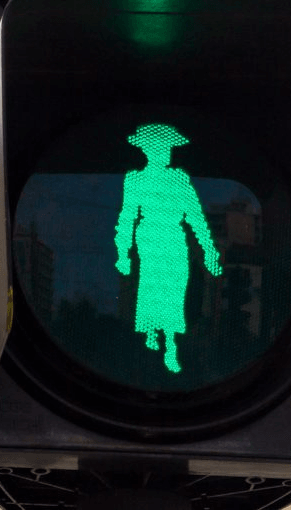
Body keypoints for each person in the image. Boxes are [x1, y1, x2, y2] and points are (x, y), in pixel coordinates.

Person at [114, 124, 222, 373]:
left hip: (174, 239)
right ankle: (151, 336)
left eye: (166, 148)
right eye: (157, 147)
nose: (163, 152)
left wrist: (209, 250)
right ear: (146, 150)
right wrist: (123, 252)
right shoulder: (135, 179)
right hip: (150, 239)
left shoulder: (179, 179)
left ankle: (170, 345)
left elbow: (195, 216)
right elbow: (127, 217)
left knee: (174, 291)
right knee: (152, 287)